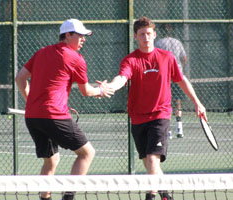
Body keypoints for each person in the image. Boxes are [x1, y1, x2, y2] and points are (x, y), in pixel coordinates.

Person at [106, 17, 207, 200]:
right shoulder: (130, 60)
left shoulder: (167, 57)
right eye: (142, 34)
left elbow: (181, 80)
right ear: (136, 36)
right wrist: (109, 87)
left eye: (149, 34)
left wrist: (197, 102)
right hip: (138, 118)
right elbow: (122, 78)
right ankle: (166, 196)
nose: (146, 37)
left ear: (155, 35)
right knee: (150, 165)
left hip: (160, 116)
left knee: (153, 160)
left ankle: (150, 196)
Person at [15, 19, 115, 200]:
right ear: (67, 35)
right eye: (80, 35)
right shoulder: (76, 58)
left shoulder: (41, 52)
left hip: (33, 117)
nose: (84, 39)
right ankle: (68, 197)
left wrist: (31, 102)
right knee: (87, 153)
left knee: (51, 160)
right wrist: (101, 90)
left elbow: (20, 78)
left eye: (85, 36)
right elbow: (86, 91)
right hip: (54, 116)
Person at [155, 24, 187, 138]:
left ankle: (168, 132)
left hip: (165, 76)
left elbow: (154, 58)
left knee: (165, 102)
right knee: (177, 101)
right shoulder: (177, 42)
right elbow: (184, 58)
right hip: (177, 75)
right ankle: (179, 129)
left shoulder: (158, 43)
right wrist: (179, 66)